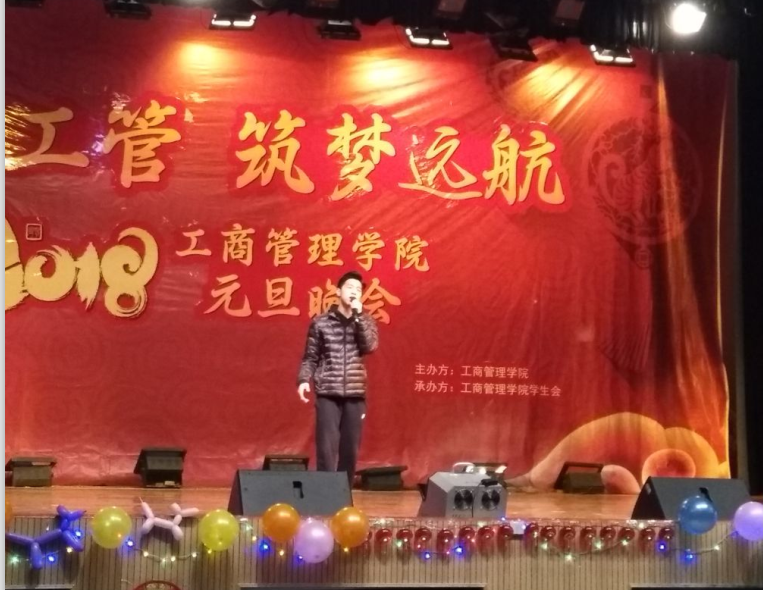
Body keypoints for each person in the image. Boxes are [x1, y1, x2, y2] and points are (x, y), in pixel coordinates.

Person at [297, 270, 379, 484]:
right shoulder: (321, 323)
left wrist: (358, 317)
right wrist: (304, 380)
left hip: (355, 394)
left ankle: (344, 494)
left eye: (358, 289)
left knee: (350, 450)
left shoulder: (366, 321)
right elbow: (310, 357)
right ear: (338, 291)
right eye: (350, 287)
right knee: (326, 449)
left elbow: (369, 346)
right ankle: (325, 493)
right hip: (328, 393)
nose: (354, 292)